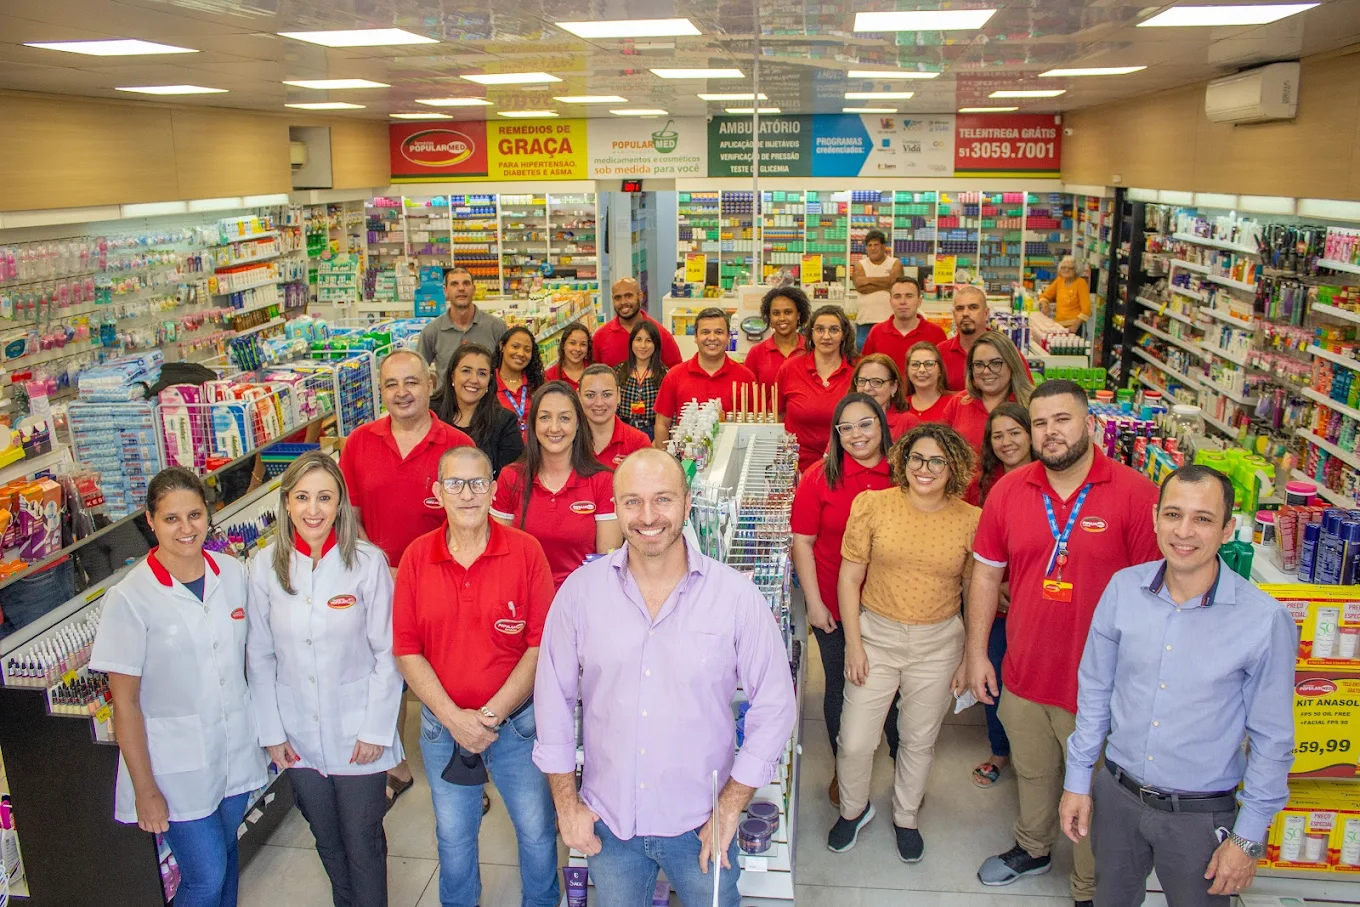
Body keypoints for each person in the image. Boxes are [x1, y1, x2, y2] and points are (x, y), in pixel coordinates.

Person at [533, 449, 797, 907]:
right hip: (610, 824)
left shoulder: (735, 597)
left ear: (687, 502)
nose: (648, 516)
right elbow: (552, 700)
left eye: (663, 500)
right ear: (614, 507)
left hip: (702, 825)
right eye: (632, 502)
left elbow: (775, 704)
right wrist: (566, 803)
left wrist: (732, 803)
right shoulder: (580, 594)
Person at [1059, 465, 1296, 906]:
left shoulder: (1263, 621)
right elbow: (1095, 690)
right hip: (1117, 796)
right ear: (1155, 519)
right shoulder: (1123, 589)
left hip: (1200, 816)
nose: (1184, 531)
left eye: (1203, 519)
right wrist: (1077, 781)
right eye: (1173, 515)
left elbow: (1273, 740)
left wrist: (1245, 839)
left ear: (1227, 530)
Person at [964, 380, 1162, 906]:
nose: (1050, 433)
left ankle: (1089, 887)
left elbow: (1155, 598)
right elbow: (985, 576)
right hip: (1025, 670)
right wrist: (978, 652)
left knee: (1096, 792)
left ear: (1090, 424)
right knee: (1032, 770)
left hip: (1101, 686)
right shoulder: (1009, 491)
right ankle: (1032, 847)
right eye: (1041, 423)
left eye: (1062, 420)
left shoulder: (1138, 495)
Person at [90, 467, 268, 907]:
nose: (186, 529)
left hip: (234, 749)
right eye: (171, 519)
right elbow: (125, 705)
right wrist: (145, 788)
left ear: (209, 515)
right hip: (174, 769)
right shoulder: (130, 598)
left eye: (194, 515)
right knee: (205, 876)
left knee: (226, 856)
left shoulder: (232, 573)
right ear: (150, 521)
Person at [393, 446, 560, 907]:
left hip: (517, 726)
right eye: (454, 484)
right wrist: (455, 720)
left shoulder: (526, 552)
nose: (466, 494)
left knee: (536, 831)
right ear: (437, 493)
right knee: (454, 837)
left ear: (491, 489)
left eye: (477, 483)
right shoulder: (415, 558)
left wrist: (488, 716)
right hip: (442, 728)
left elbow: (540, 645)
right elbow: (407, 650)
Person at [245, 452, 402, 907]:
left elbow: (388, 654)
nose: (313, 509)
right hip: (296, 736)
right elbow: (259, 656)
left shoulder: (368, 563)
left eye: (324, 498)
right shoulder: (262, 568)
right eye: (303, 497)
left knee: (363, 841)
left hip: (358, 733)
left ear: (339, 505)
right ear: (286, 503)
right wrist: (272, 733)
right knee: (327, 839)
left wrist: (376, 729)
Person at [829, 423, 980, 863]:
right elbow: (850, 576)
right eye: (917, 458)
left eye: (937, 461)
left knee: (918, 739)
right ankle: (853, 810)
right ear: (903, 461)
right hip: (875, 636)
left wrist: (969, 656)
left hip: (939, 644)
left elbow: (974, 593)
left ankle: (906, 816)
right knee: (855, 739)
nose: (925, 469)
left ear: (954, 467)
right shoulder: (873, 505)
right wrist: (854, 645)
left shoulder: (971, 519)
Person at [338, 349, 473, 806]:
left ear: (431, 384)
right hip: (377, 579)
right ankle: (392, 760)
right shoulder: (359, 443)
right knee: (384, 667)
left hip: (442, 578)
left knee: (449, 669)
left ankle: (464, 765)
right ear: (381, 391)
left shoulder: (456, 444)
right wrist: (376, 568)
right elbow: (350, 517)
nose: (402, 393)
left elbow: (470, 520)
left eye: (411, 382)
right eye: (392, 385)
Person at [792, 393, 901, 808]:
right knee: (842, 683)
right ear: (837, 434)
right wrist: (815, 605)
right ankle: (845, 769)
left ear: (882, 425)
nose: (857, 435)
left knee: (895, 690)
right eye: (847, 427)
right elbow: (803, 542)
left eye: (866, 424)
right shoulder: (819, 477)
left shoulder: (903, 473)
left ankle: (899, 760)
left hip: (892, 605)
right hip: (835, 607)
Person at [491, 382, 622, 588]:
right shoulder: (511, 478)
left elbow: (605, 563)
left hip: (581, 601)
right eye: (544, 417)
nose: (554, 428)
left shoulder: (602, 481)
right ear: (533, 423)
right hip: (522, 601)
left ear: (578, 423)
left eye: (564, 418)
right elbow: (497, 556)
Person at [968, 403, 1033, 791]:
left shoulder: (1052, 480)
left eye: (1015, 432)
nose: (1007, 442)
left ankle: (1033, 756)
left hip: (1035, 599)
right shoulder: (983, 485)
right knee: (993, 670)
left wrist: (1018, 589)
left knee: (1028, 681)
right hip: (992, 599)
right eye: (998, 435)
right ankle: (999, 750)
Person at [653, 307, 757, 448]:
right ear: (695, 337)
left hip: (734, 459)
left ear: (728, 337)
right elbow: (662, 423)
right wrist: (665, 463)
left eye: (719, 332)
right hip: (686, 463)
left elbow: (756, 425)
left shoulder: (746, 377)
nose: (712, 338)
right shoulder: (674, 375)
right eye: (705, 332)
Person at [777, 304, 856, 473]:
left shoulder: (857, 372)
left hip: (844, 464)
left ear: (844, 335)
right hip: (797, 467)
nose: (826, 336)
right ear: (810, 334)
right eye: (820, 329)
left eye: (834, 330)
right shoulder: (790, 368)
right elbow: (778, 414)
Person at [434, 343, 524, 478]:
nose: (474, 380)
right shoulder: (430, 414)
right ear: (452, 376)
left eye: (482, 373)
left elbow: (511, 480)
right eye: (466, 371)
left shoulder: (505, 422)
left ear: (490, 381)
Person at [942, 331, 1035, 454]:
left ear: (1011, 365)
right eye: (979, 364)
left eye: (995, 363)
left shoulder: (1031, 404)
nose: (986, 371)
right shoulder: (958, 403)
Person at [417, 267, 508, 382]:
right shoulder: (431, 331)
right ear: (445, 291)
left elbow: (508, 369)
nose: (461, 288)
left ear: (474, 289)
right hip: (447, 399)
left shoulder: (496, 327)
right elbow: (418, 372)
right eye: (454, 284)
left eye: (466, 283)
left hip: (488, 399)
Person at [861, 276, 947, 372]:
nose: (903, 302)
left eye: (909, 296)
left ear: (919, 301)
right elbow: (865, 371)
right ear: (891, 301)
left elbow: (943, 373)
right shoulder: (876, 332)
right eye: (897, 296)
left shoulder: (936, 333)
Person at [593, 277, 682, 369]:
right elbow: (593, 375)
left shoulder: (661, 334)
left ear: (640, 296)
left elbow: (676, 374)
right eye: (618, 298)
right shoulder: (600, 337)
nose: (623, 302)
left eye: (628, 296)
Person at [580, 364, 651, 468]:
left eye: (607, 395)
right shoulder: (568, 440)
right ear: (579, 396)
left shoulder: (638, 442)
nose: (599, 403)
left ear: (618, 395)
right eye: (590, 395)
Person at [745, 286, 810, 388]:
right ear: (769, 317)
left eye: (788, 312)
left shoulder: (811, 349)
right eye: (776, 313)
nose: (782, 318)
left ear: (798, 315)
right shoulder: (757, 353)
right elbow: (748, 393)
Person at [851, 229, 904, 350]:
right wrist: (887, 283)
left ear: (884, 246)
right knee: (864, 357)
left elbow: (895, 283)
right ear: (866, 248)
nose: (873, 248)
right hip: (864, 321)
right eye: (869, 245)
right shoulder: (860, 264)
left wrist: (868, 280)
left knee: (888, 354)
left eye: (876, 244)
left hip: (889, 321)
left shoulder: (895, 263)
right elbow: (860, 286)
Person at [615, 320, 668, 439]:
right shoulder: (618, 371)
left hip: (653, 431)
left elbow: (668, 413)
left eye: (648, 341)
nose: (643, 346)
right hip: (624, 429)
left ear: (656, 344)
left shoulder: (664, 374)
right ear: (631, 343)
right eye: (638, 340)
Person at [849, 354, 918, 441]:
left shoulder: (908, 423)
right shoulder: (846, 419)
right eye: (862, 381)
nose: (866, 388)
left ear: (893, 387)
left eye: (877, 382)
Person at [494, 325, 545, 437]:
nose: (521, 353)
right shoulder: (488, 383)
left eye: (527, 350)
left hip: (534, 451)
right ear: (502, 346)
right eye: (515, 346)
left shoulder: (538, 385)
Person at [937, 285, 990, 391]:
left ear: (986, 313)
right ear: (954, 314)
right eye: (960, 308)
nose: (965, 313)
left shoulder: (1006, 350)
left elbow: (1024, 394)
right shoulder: (940, 352)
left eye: (973, 307)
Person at [903, 342, 953, 423]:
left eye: (929, 364)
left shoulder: (954, 404)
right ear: (907, 370)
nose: (921, 370)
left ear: (940, 370)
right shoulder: (900, 406)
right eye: (915, 364)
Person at [1040, 257, 1092, 333]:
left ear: (1076, 270)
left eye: (1070, 268)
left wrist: (1075, 327)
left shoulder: (1081, 283)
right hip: (1059, 325)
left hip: (1073, 326)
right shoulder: (1059, 280)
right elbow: (1045, 295)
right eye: (1063, 267)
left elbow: (1086, 309)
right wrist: (1045, 305)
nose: (1066, 270)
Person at [544, 321, 592, 390]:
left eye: (583, 344)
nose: (578, 349)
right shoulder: (550, 376)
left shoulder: (595, 371)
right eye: (572, 343)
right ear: (563, 345)